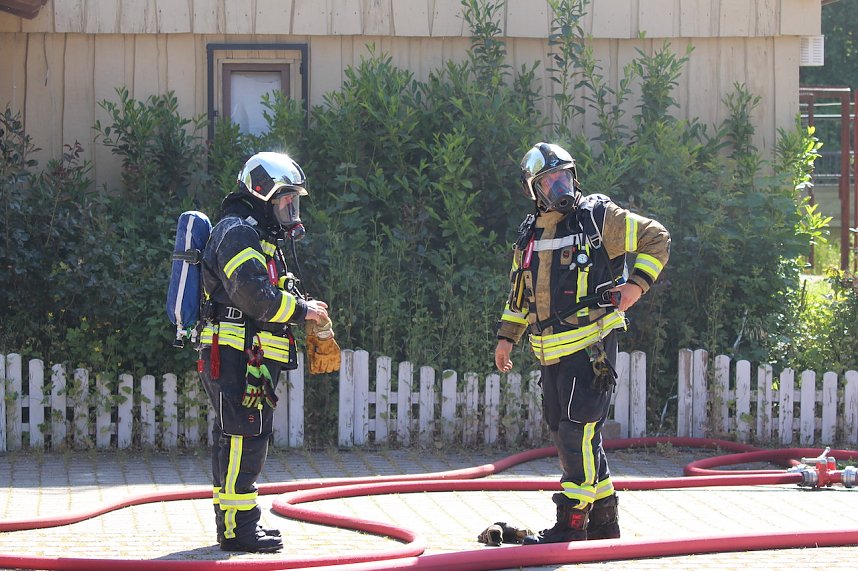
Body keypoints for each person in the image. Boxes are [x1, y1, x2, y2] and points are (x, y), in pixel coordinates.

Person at [494, 142, 670, 544]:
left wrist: (635, 286)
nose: (561, 187)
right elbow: (520, 297)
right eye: (551, 180)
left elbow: (656, 238)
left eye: (565, 177)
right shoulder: (530, 235)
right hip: (549, 353)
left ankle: (571, 523)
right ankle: (605, 521)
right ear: (534, 189)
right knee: (570, 432)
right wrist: (507, 338)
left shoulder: (597, 218)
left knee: (578, 433)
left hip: (591, 348)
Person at [198, 151, 341, 553]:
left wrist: (304, 309)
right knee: (243, 437)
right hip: (235, 355)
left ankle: (239, 525)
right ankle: (238, 530)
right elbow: (254, 296)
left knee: (244, 437)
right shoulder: (237, 232)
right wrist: (302, 310)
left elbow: (272, 293)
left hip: (250, 358)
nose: (290, 209)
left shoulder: (258, 236)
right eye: (285, 199)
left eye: (293, 200)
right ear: (262, 193)